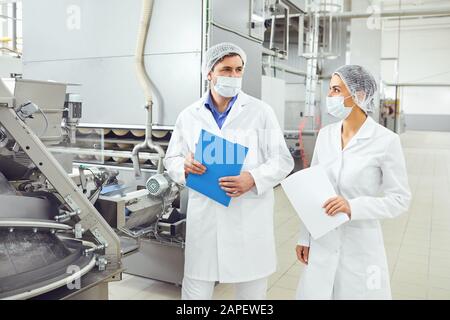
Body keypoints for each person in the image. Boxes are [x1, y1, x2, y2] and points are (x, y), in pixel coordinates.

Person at [164, 42, 294, 300]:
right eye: (226, 69)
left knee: (251, 296)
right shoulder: (189, 115)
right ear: (209, 73)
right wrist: (184, 167)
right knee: (195, 295)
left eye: (238, 70)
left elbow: (283, 160)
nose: (233, 76)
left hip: (248, 217)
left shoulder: (260, 112)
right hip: (206, 220)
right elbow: (171, 159)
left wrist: (253, 178)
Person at [295, 65, 411, 300]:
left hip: (360, 241)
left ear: (359, 95)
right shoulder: (326, 135)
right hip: (322, 238)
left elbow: (400, 199)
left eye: (336, 90)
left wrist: (353, 207)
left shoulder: (386, 141)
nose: (330, 97)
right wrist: (304, 237)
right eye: (330, 90)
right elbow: (311, 186)